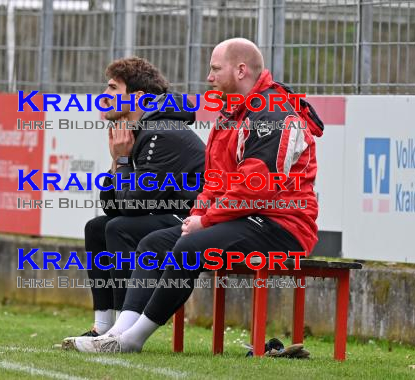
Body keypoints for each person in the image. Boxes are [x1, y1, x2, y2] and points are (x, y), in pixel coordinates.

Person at [65, 38, 324, 353]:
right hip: (240, 216)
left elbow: (254, 187)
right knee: (153, 243)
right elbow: (213, 183)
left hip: (282, 225)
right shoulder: (230, 115)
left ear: (241, 70)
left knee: (188, 244)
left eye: (215, 69)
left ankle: (131, 340)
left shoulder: (273, 115)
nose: (209, 78)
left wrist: (205, 220)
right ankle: (115, 333)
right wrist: (198, 215)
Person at [77, 57, 206, 337]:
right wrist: (118, 162)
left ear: (136, 97)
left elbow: (134, 205)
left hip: (195, 220)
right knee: (96, 228)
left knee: (118, 229)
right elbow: (113, 207)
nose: (104, 96)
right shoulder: (139, 130)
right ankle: (102, 327)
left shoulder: (162, 132)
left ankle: (123, 329)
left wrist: (123, 160)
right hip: (167, 214)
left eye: (112, 88)